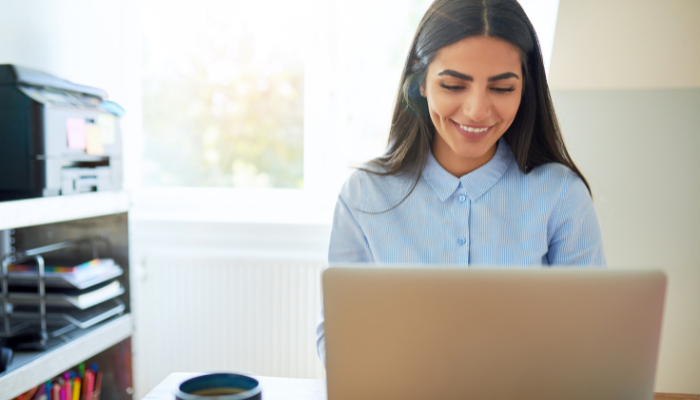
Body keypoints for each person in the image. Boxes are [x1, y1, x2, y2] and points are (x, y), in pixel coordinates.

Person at [316, 0, 606, 364]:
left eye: (501, 89)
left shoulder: (561, 195)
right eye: (454, 85)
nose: (476, 110)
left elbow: (591, 339)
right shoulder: (363, 195)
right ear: (420, 83)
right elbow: (340, 341)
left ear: (525, 90)